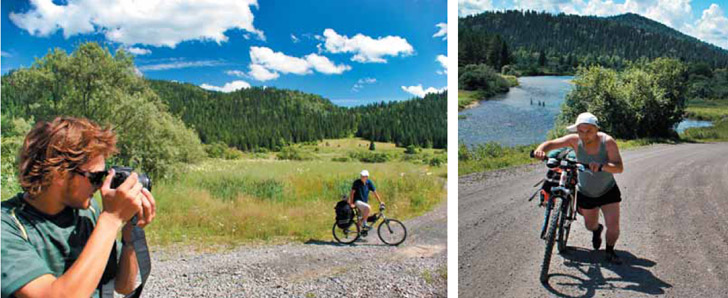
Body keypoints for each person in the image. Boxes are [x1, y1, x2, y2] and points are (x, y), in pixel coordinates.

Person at [1, 117, 156, 298]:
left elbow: (123, 285)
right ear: (59, 173)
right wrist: (111, 219)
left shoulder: (87, 211)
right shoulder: (8, 226)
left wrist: (131, 233)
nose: (100, 186)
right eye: (95, 177)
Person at [533, 112, 625, 264]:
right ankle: (597, 230)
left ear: (596, 129)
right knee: (590, 225)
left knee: (613, 225)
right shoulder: (574, 140)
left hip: (608, 190)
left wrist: (602, 166)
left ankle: (610, 250)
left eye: (589, 130)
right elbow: (551, 144)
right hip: (586, 192)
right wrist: (541, 149)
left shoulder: (607, 142)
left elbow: (619, 167)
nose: (584, 134)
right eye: (581, 130)